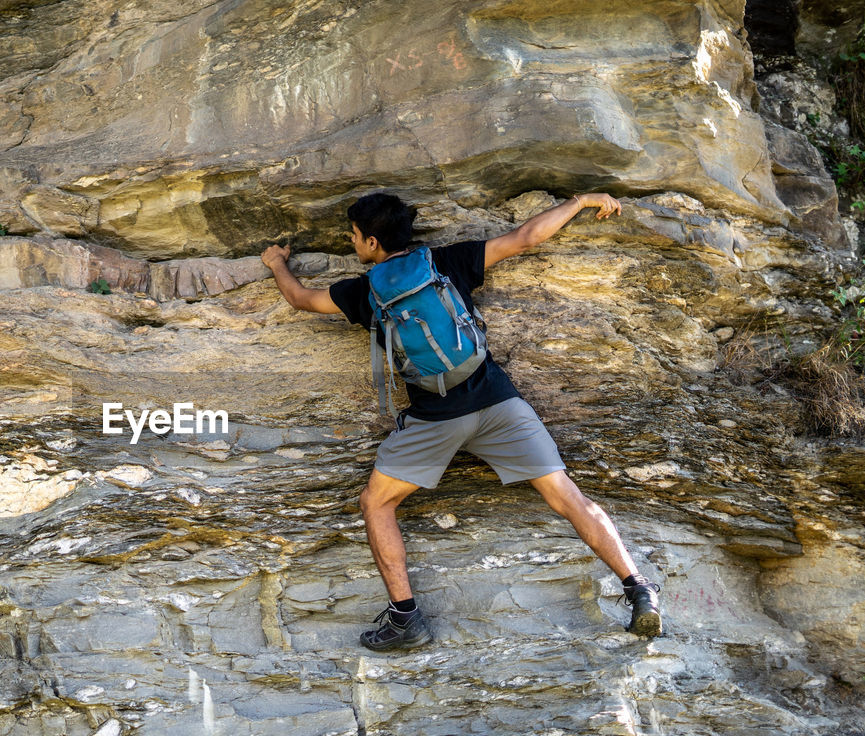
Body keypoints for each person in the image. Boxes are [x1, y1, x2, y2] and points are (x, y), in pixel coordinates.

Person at [260, 191, 661, 651]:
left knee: (376, 503)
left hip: (435, 419)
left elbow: (300, 300)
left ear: (372, 242)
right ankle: (637, 586)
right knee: (568, 498)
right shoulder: (447, 262)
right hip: (499, 404)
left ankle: (405, 619)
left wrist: (276, 264)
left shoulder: (364, 292)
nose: (353, 244)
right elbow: (527, 237)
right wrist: (580, 201)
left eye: (353, 237)